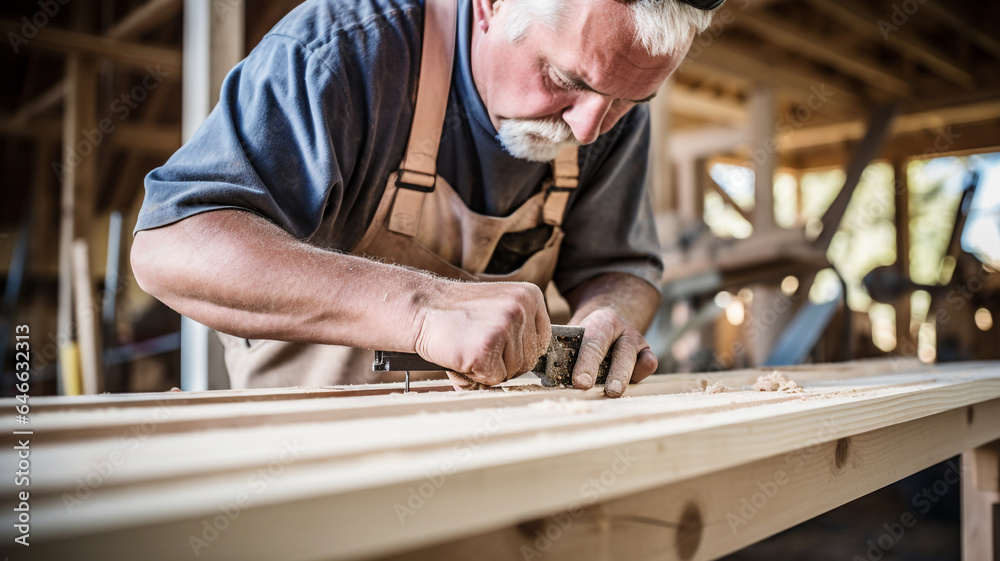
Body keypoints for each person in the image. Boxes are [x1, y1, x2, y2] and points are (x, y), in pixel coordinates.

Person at [130, 0, 720, 396]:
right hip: (304, 468)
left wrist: (607, 319)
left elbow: (619, 266)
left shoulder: (604, 109)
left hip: (498, 473)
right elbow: (172, 245)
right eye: (567, 81)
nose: (591, 128)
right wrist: (421, 309)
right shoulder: (342, 51)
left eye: (626, 101)